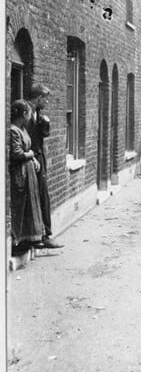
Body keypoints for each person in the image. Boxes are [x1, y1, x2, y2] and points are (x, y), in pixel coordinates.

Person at [27, 83, 62, 249]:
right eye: (45, 99)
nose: (47, 102)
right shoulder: (25, 112)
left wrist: (45, 125)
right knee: (35, 196)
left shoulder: (37, 113)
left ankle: (45, 234)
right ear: (39, 98)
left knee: (43, 194)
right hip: (30, 160)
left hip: (38, 158)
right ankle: (37, 237)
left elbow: (42, 135)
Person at [9, 100, 44, 254]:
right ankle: (19, 241)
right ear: (24, 114)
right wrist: (31, 155)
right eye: (29, 113)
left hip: (29, 172)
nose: (30, 116)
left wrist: (33, 158)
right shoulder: (13, 130)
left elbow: (28, 147)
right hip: (20, 173)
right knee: (21, 205)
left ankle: (30, 239)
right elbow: (17, 153)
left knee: (31, 204)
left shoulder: (22, 129)